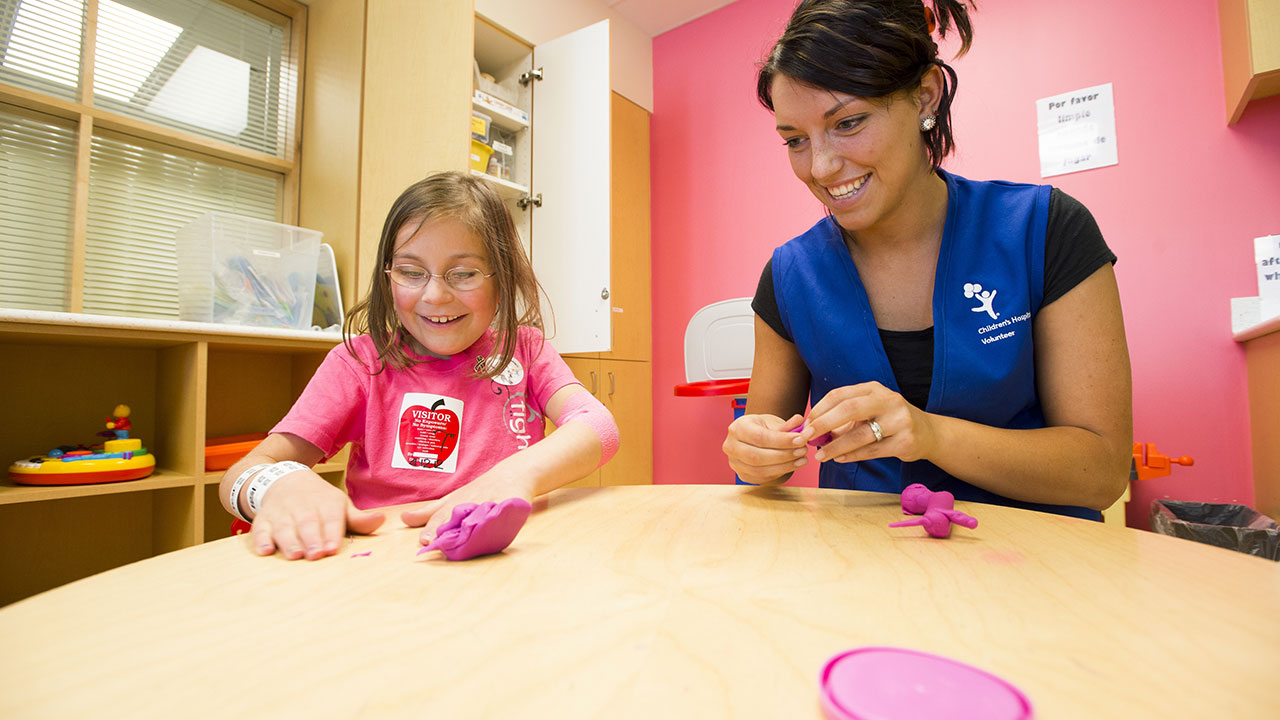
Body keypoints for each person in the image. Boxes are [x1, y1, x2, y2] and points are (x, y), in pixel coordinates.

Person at [722, 0, 1132, 519]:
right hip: (863, 567)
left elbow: (1102, 473)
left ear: (925, 96)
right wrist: (754, 453)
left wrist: (930, 434)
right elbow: (767, 463)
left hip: (1034, 568)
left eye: (848, 122)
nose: (821, 167)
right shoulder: (789, 277)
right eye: (796, 140)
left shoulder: (1045, 229)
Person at [219, 171, 619, 559]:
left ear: (502, 278)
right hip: (389, 562)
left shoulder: (525, 350)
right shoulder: (359, 362)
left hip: (510, 557)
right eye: (411, 272)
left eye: (463, 274)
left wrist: (514, 477)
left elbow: (597, 426)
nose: (435, 295)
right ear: (388, 276)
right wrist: (284, 483)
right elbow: (245, 471)